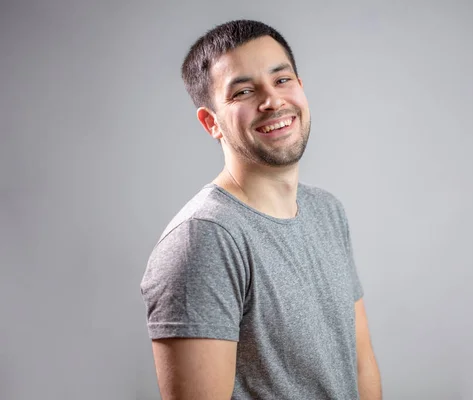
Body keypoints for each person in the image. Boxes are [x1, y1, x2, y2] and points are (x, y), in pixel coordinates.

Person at [140, 19, 382, 400]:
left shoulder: (327, 212)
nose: (272, 100)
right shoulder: (203, 239)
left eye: (282, 80)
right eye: (244, 91)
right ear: (211, 123)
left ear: (300, 88)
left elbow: (361, 364)